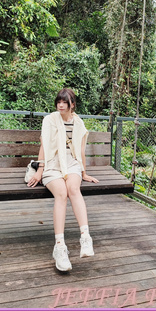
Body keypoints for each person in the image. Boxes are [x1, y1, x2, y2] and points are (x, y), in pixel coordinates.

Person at [26, 88, 99, 272]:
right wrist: (40, 170)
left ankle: (85, 237)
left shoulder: (79, 123)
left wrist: (83, 173)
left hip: (71, 163)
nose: (60, 105)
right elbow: (44, 145)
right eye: (59, 101)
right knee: (61, 193)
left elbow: (80, 151)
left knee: (74, 189)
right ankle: (59, 247)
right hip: (52, 164)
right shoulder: (49, 120)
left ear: (72, 104)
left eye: (65, 102)